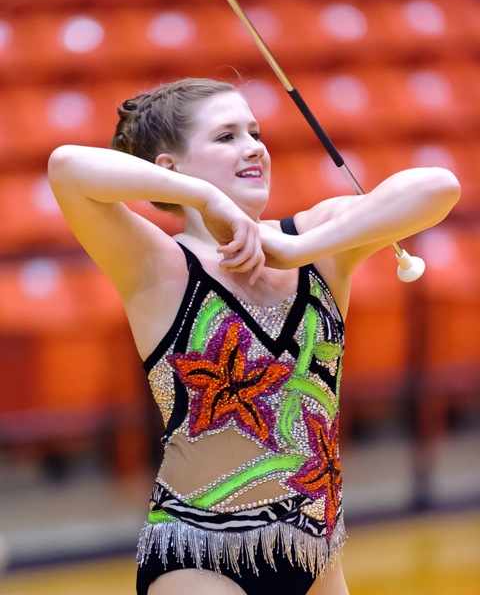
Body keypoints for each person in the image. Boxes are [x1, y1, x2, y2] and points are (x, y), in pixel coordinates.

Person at [48, 77, 460, 595]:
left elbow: (439, 186)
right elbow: (66, 166)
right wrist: (205, 199)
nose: (253, 147)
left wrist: (296, 249)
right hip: (199, 556)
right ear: (168, 171)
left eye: (255, 131)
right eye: (226, 136)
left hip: (316, 553)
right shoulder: (160, 266)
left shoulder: (315, 243)